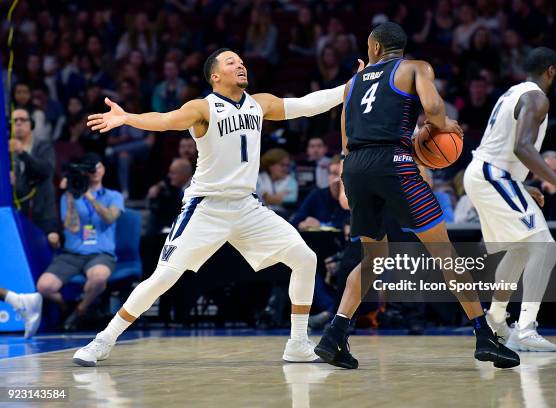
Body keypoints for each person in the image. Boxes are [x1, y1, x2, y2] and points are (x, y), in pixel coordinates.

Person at [73, 48, 364, 367]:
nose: (240, 65)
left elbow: (308, 105)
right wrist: (127, 117)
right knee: (164, 276)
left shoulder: (259, 103)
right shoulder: (203, 108)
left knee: (305, 258)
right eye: (231, 62)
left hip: (247, 206)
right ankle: (104, 339)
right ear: (215, 75)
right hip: (206, 207)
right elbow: (166, 120)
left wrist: (350, 86)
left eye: (241, 61)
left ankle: (297, 343)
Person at [314, 22, 519, 370]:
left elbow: (345, 136)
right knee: (444, 253)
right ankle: (484, 336)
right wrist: (446, 127)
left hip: (356, 167)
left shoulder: (353, 83)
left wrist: (349, 173)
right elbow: (434, 110)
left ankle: (334, 335)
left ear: (375, 47)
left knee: (373, 259)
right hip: (393, 162)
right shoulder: (415, 68)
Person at [463, 47, 556, 352]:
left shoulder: (513, 92)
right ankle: (526, 329)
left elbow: (505, 145)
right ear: (550, 71)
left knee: (522, 247)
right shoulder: (537, 98)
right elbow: (522, 147)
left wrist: (518, 184)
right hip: (493, 175)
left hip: (486, 174)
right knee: (545, 246)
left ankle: (494, 320)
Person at [36, 153, 124, 331]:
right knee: (44, 286)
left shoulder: (113, 196)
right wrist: (70, 193)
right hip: (71, 254)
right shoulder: (69, 197)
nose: (95, 172)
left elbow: (109, 218)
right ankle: (66, 309)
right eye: (90, 169)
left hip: (100, 254)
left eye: (97, 167)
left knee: (98, 279)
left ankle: (80, 311)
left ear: (103, 169)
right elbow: (72, 227)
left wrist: (89, 196)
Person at [9, 108, 61, 248]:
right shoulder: (6, 149)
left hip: (43, 210)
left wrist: (22, 153)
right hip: (19, 209)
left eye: (22, 120)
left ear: (31, 123)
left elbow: (46, 170)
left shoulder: (43, 146)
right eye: (14, 121)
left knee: (51, 240)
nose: (18, 124)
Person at [291, 156, 349, 231]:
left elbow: (350, 228)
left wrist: (321, 225)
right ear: (328, 176)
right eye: (334, 174)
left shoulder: (355, 199)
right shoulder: (317, 195)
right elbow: (295, 222)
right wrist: (302, 224)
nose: (337, 179)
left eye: (342, 175)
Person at [146, 157, 193, 235]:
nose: (169, 176)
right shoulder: (177, 186)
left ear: (184, 174)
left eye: (173, 173)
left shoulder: (193, 190)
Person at [256, 148, 298, 218]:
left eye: (287, 165)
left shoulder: (291, 181)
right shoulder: (258, 179)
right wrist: (280, 196)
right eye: (282, 165)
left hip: (284, 216)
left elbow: (291, 200)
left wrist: (266, 196)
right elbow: (255, 200)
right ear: (271, 166)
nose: (285, 168)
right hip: (260, 216)